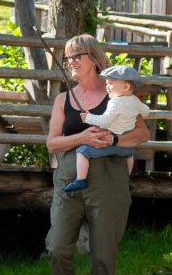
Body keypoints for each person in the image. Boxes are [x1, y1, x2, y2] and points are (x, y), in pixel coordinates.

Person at [46, 34, 148, 275]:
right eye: (68, 58)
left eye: (77, 56)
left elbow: (142, 133)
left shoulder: (118, 96)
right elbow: (52, 143)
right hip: (69, 176)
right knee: (57, 246)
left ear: (93, 58)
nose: (72, 63)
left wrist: (115, 141)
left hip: (109, 178)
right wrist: (83, 138)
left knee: (103, 253)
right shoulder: (64, 99)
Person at [63, 65, 147, 193]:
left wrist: (88, 117)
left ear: (125, 87)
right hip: (126, 147)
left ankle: (81, 179)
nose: (107, 87)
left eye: (111, 84)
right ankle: (127, 179)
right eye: (107, 83)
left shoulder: (115, 102)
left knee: (82, 151)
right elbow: (146, 111)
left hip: (110, 141)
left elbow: (104, 120)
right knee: (130, 155)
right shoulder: (135, 100)